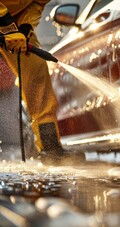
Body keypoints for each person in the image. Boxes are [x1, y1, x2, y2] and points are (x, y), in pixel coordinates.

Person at [0, 0, 84, 164]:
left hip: (11, 22)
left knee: (37, 68)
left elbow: (35, 6)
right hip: (5, 20)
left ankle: (50, 149)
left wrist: (25, 29)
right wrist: (8, 27)